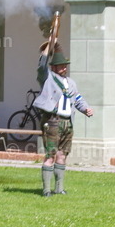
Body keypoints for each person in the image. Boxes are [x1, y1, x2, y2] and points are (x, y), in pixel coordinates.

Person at [34, 51, 94, 197]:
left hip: (68, 122)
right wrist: (45, 53)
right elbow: (41, 67)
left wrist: (85, 109)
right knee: (51, 155)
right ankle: (46, 190)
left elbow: (78, 99)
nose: (64, 69)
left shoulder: (71, 83)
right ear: (53, 67)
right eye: (61, 66)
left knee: (63, 155)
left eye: (65, 66)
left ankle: (59, 189)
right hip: (52, 121)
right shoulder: (48, 78)